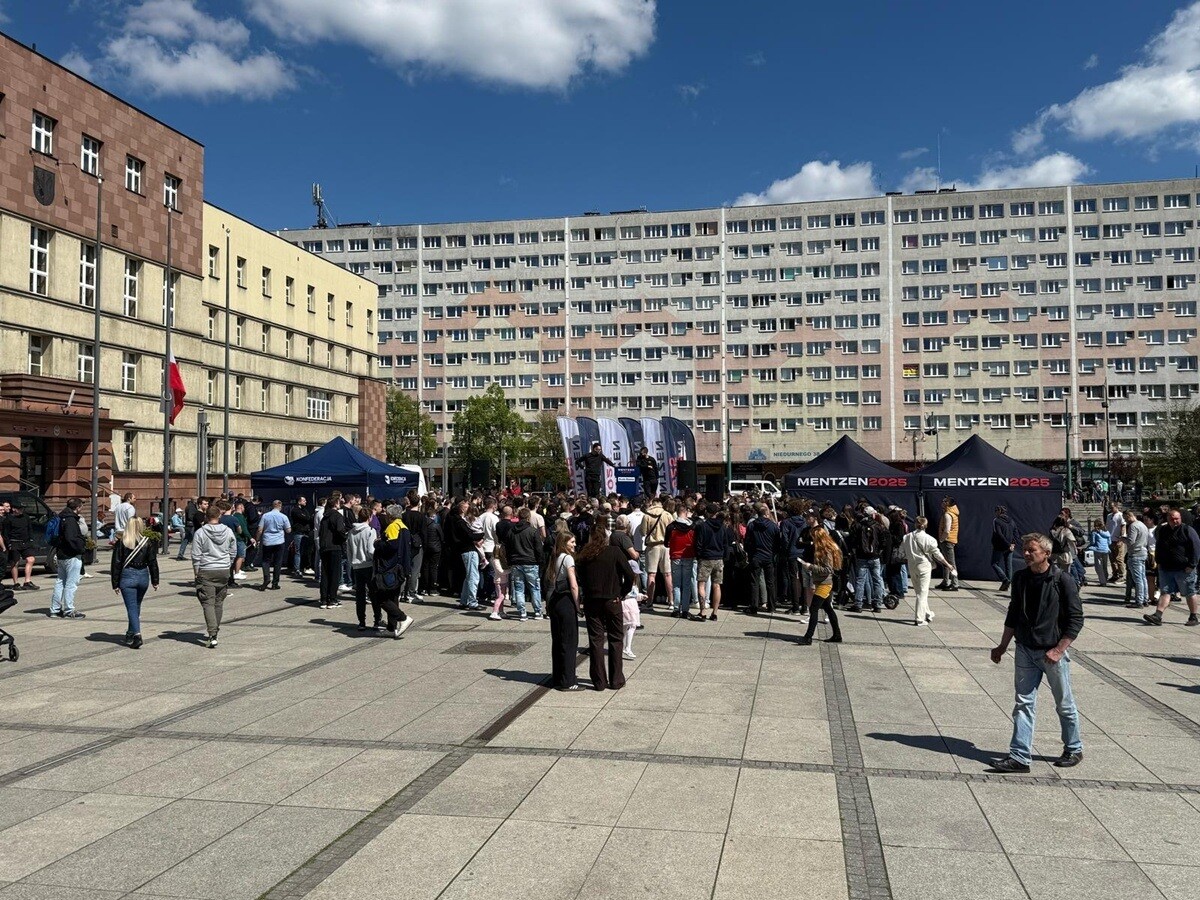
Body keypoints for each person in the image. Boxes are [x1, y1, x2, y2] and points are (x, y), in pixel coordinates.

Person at [989, 532, 1085, 773]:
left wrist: (1059, 649)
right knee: (1023, 703)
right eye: (1025, 549)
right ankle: (1020, 757)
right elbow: (1013, 614)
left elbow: (1076, 619)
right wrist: (1002, 645)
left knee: (1064, 703)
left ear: (1047, 554)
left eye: (1032, 550)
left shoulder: (1062, 580)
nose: (1027, 553)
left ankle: (1073, 748)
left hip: (1052, 652)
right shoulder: (1020, 578)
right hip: (1025, 650)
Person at [575, 524, 634, 690]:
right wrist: (622, 592)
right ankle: (616, 679)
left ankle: (599, 681)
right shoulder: (614, 552)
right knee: (616, 638)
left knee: (596, 640)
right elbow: (630, 575)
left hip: (593, 600)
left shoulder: (584, 555)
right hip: (612, 599)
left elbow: (580, 578)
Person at [1142, 509, 1200, 626]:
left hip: (1184, 569)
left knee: (1189, 592)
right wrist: (1158, 562)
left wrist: (1192, 565)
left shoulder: (1187, 530)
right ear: (1167, 519)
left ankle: (1193, 617)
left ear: (1180, 518)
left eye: (1177, 518)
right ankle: (1157, 615)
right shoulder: (1163, 530)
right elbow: (1159, 546)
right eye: (1172, 519)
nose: (1175, 521)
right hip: (1166, 568)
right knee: (1165, 591)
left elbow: (1196, 548)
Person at [191, 506, 236, 649]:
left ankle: (212, 633)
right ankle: (215, 630)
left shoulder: (200, 533)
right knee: (218, 602)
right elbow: (233, 550)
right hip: (223, 570)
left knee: (208, 603)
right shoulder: (228, 531)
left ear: (206, 516)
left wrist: (196, 571)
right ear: (219, 516)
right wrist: (228, 563)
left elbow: (195, 555)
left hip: (207, 569)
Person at [111, 516, 158, 649]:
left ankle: (137, 635)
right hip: (143, 576)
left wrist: (115, 583)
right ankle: (130, 633)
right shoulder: (147, 542)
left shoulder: (122, 542)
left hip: (127, 576)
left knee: (131, 607)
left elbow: (116, 564)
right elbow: (153, 562)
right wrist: (155, 580)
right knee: (136, 606)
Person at [900, 516, 955, 626]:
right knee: (922, 593)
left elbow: (901, 552)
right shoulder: (930, 539)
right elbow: (937, 555)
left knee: (919, 592)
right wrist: (948, 564)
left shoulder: (906, 537)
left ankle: (928, 613)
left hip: (912, 566)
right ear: (926, 525)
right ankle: (919, 619)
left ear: (915, 524)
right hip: (924, 566)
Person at [545, 533, 581, 691]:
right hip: (566, 601)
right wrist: (578, 604)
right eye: (572, 542)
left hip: (554, 602)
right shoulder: (568, 558)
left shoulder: (554, 557)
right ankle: (568, 681)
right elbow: (573, 584)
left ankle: (558, 677)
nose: (574, 545)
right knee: (569, 641)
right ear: (564, 543)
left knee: (558, 640)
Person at [372, 506, 415, 638]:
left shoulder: (392, 527)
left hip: (391, 568)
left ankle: (403, 618)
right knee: (393, 597)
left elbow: (392, 545)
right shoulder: (404, 527)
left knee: (379, 597)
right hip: (401, 568)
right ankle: (391, 627)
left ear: (390, 516)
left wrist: (377, 543)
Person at [797, 525, 844, 645]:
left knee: (814, 608)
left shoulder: (826, 551)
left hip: (825, 583)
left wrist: (811, 567)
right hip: (821, 582)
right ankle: (837, 635)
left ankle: (808, 637)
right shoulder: (822, 549)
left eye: (814, 537)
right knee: (828, 608)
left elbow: (827, 569)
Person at [503, 507, 544, 620]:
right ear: (528, 518)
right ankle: (537, 611)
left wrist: (510, 560)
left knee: (519, 588)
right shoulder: (532, 531)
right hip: (531, 562)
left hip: (516, 562)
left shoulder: (511, 531)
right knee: (534, 588)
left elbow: (507, 547)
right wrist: (540, 562)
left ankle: (522, 612)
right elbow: (538, 548)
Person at [49, 498, 87, 619]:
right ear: (77, 507)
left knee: (60, 582)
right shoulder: (71, 520)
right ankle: (69, 610)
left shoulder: (62, 517)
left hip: (61, 554)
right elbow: (71, 538)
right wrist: (80, 548)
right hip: (71, 555)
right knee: (71, 584)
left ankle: (55, 609)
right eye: (81, 507)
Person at [693, 504, 732, 622]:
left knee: (701, 584)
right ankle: (715, 612)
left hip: (705, 557)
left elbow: (698, 543)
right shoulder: (723, 527)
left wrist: (699, 555)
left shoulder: (702, 526)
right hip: (718, 558)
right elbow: (725, 544)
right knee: (717, 585)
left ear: (707, 513)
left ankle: (703, 611)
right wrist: (724, 557)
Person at [744, 503, 779, 614]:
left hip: (756, 555)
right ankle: (772, 606)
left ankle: (754, 606)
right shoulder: (773, 526)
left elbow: (747, 541)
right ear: (766, 513)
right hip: (769, 556)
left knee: (754, 582)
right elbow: (777, 542)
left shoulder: (752, 525)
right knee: (770, 582)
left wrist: (749, 553)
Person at [641, 495, 674, 608]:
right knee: (668, 574)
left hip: (652, 546)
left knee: (651, 574)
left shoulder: (646, 516)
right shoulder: (667, 515)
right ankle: (671, 601)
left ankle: (650, 602)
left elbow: (643, 532)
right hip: (666, 546)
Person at [317, 495, 348, 609]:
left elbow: (321, 533)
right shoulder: (337, 515)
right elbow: (340, 529)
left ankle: (324, 599)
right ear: (336, 504)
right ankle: (332, 599)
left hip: (324, 547)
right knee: (334, 574)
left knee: (325, 574)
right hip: (334, 546)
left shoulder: (325, 516)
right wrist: (344, 537)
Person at [255, 500, 291, 591]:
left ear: (272, 505)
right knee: (277, 562)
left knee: (266, 561)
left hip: (267, 541)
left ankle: (266, 578)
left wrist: (257, 539)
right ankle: (275, 583)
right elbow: (288, 530)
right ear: (280, 506)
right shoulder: (284, 517)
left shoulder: (265, 516)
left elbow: (260, 530)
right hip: (279, 541)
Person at [1, 503, 37, 590]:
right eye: (20, 508)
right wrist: (8, 543)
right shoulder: (8, 519)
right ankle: (16, 583)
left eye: (22, 509)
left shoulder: (25, 517)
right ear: (14, 509)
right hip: (14, 542)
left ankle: (27, 581)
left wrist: (31, 539)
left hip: (26, 542)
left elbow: (30, 528)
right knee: (15, 562)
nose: (21, 510)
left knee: (31, 559)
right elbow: (5, 533)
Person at [1123, 509, 1151, 608]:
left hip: (1135, 553)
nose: (1125, 521)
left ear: (1128, 516)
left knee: (1138, 579)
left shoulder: (1133, 526)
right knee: (1143, 578)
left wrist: (1122, 539)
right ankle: (1145, 598)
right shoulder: (1143, 525)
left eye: (1125, 519)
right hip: (1143, 551)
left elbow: (1131, 541)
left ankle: (1139, 601)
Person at [991, 506, 1019, 592]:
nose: (995, 513)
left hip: (999, 546)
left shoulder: (996, 521)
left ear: (999, 511)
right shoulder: (1011, 521)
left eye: (996, 511)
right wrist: (1012, 544)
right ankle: (1007, 584)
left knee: (994, 563)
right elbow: (1016, 533)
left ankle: (1005, 580)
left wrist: (1007, 544)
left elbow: (999, 534)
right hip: (1009, 546)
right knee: (1008, 566)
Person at [936, 497, 961, 590]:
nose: (942, 502)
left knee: (951, 563)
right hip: (949, 541)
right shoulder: (952, 513)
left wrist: (942, 540)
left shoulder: (948, 515)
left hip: (947, 541)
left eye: (944, 501)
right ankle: (945, 581)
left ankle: (955, 584)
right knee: (945, 563)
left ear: (947, 503)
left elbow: (947, 530)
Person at [288, 496, 314, 575]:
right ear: (299, 502)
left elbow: (308, 518)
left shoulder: (304, 510)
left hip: (306, 533)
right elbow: (305, 518)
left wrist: (308, 518)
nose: (305, 502)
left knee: (306, 551)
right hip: (299, 533)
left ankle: (305, 567)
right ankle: (297, 569)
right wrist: (307, 518)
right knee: (298, 552)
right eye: (304, 500)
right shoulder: (295, 510)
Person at [1087, 518, 1112, 588]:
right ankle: (1105, 578)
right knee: (1105, 566)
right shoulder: (1107, 533)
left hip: (1098, 550)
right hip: (1106, 550)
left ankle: (1102, 581)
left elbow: (1093, 542)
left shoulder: (1094, 532)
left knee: (1098, 567)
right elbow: (1109, 542)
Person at [1106, 501, 1126, 583]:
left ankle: (1122, 575)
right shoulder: (1109, 515)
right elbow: (1107, 526)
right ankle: (1115, 574)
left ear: (1116, 506)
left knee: (1119, 558)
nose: (1111, 509)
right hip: (1110, 540)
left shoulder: (1120, 515)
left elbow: (1123, 526)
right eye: (1110, 507)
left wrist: (1121, 538)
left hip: (1118, 540)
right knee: (1112, 559)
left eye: (1112, 507)